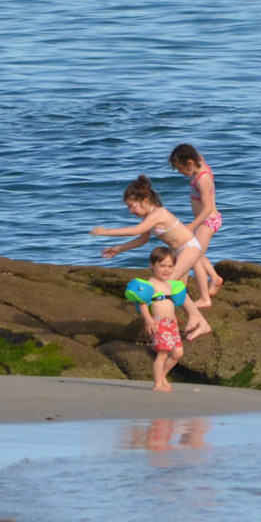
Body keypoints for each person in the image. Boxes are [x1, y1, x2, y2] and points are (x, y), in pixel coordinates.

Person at [91, 176, 211, 339]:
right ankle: (201, 323)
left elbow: (135, 230)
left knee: (167, 283)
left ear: (145, 200)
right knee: (177, 289)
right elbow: (142, 238)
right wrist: (119, 249)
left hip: (189, 248)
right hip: (178, 251)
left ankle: (195, 317)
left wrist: (106, 232)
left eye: (132, 206)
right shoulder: (149, 217)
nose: (130, 210)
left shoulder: (158, 214)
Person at [168, 143, 224, 309]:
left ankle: (205, 298)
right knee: (196, 254)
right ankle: (215, 278)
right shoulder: (200, 163)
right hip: (204, 221)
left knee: (194, 257)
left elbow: (207, 208)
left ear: (190, 163)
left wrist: (192, 226)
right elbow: (197, 154)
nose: (180, 173)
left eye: (180, 169)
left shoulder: (202, 179)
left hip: (207, 221)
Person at [127, 246, 189, 391]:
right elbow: (143, 304)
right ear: (152, 265)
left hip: (171, 323)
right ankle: (157, 384)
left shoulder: (168, 285)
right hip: (158, 322)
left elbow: (169, 304)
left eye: (170, 266)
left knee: (178, 352)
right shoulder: (151, 285)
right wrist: (148, 320)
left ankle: (162, 375)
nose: (166, 269)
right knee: (163, 353)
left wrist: (175, 317)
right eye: (162, 266)